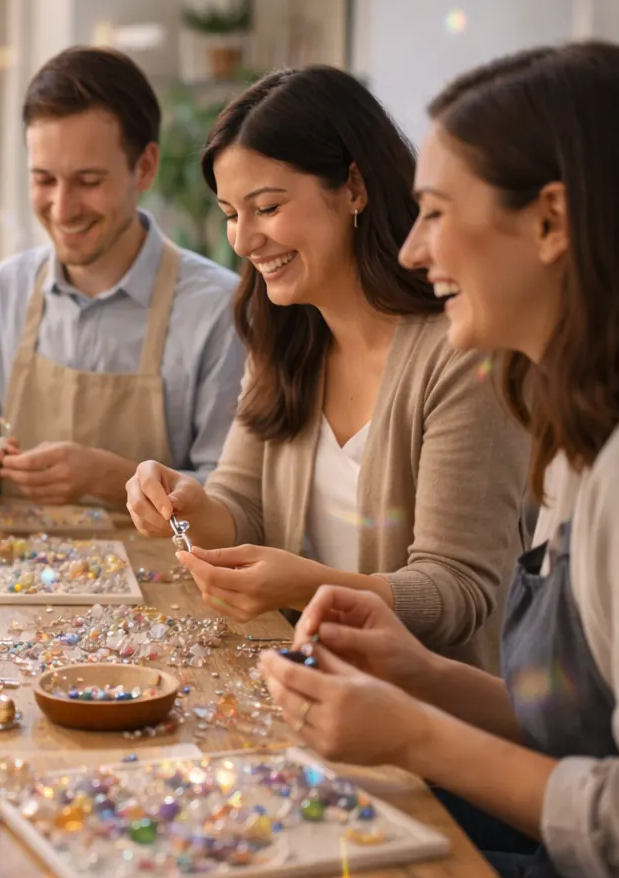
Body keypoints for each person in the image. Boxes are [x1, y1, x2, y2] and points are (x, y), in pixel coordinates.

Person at [260, 41, 619, 878]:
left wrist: (418, 735)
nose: (415, 250)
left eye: (438, 213)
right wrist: (419, 675)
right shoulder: (579, 424)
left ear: (551, 221)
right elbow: (592, 734)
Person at [125, 65, 529, 673]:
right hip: (302, 680)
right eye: (231, 213)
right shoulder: (284, 337)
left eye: (267, 207)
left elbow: (457, 590)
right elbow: (242, 503)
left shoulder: (461, 354)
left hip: (424, 711)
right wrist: (186, 505)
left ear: (354, 188)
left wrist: (306, 584)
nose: (243, 241)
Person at [0, 47, 245, 505]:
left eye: (88, 181)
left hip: (158, 555)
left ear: (144, 167)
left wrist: (111, 479)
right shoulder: (6, 288)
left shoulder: (218, 309)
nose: (62, 209)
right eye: (44, 180)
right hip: (10, 550)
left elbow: (234, 499)